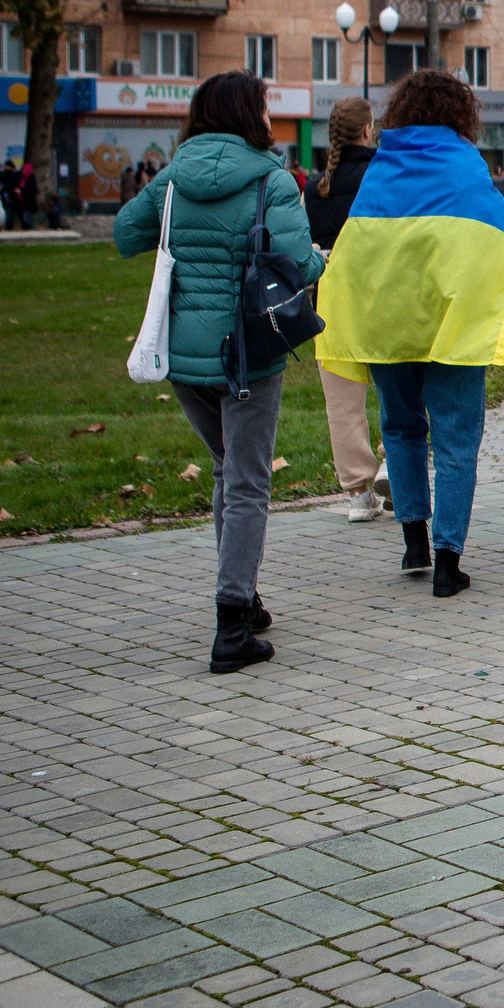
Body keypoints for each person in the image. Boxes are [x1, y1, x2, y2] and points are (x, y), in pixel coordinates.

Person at [113, 73, 322, 670]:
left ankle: (245, 597)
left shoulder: (172, 179)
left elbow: (127, 235)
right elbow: (300, 265)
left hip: (183, 355)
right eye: (261, 105)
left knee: (227, 469)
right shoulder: (271, 180)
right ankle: (232, 626)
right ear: (248, 114)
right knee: (249, 480)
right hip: (248, 352)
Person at [314, 70, 504, 599]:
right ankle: (448, 560)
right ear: (462, 115)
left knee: (402, 427)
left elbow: (357, 249)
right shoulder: (464, 165)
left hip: (390, 322)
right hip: (452, 324)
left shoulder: (381, 169)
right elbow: (501, 227)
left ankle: (414, 541)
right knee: (456, 438)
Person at [305, 98, 387, 522]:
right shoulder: (384, 172)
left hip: (331, 295)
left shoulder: (315, 185)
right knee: (397, 380)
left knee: (342, 399)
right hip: (382, 290)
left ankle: (357, 491)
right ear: (368, 128)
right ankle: (396, 465)